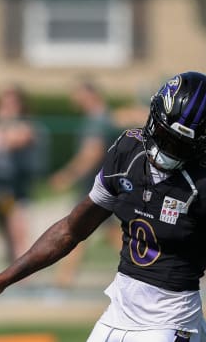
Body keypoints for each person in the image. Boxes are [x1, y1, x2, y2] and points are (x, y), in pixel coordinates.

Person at [0, 72, 206, 342]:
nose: (166, 149)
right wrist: (2, 279)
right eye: (163, 135)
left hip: (171, 321)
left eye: (180, 144)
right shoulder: (128, 153)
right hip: (117, 313)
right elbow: (71, 230)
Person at [49, 80, 119, 288]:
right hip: (102, 187)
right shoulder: (103, 117)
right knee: (110, 234)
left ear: (89, 94)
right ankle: (63, 281)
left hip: (94, 188)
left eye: (77, 94)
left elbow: (92, 153)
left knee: (74, 230)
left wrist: (67, 175)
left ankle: (62, 283)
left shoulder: (97, 120)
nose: (74, 99)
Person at [0, 85, 46, 262]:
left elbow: (12, 141)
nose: (7, 108)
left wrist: (2, 125)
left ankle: (24, 274)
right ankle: (12, 270)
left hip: (15, 186)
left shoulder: (26, 125)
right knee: (4, 229)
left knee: (18, 229)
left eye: (11, 104)